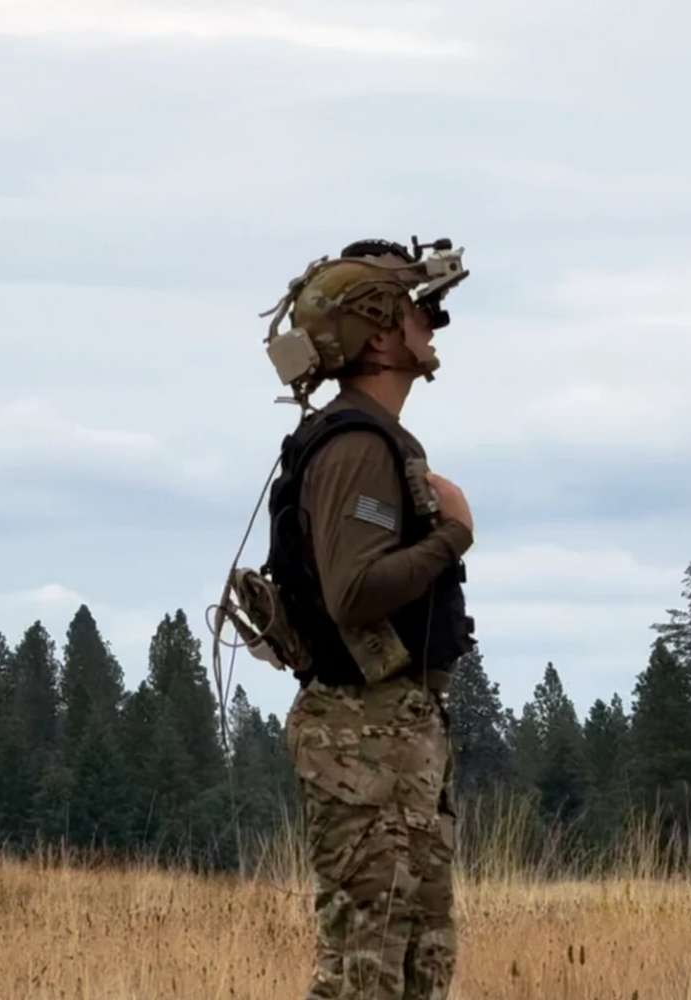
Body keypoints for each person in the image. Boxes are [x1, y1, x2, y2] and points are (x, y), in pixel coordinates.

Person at [255, 238, 477, 999]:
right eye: (418, 308)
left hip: (391, 735)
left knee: (416, 963)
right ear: (380, 332)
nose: (433, 323)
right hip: (363, 740)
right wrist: (452, 536)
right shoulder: (357, 445)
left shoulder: (369, 439)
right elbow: (354, 592)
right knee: (367, 971)